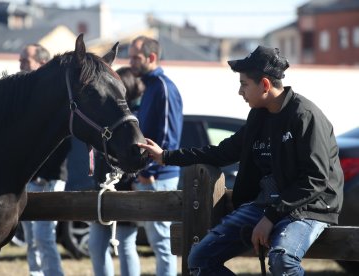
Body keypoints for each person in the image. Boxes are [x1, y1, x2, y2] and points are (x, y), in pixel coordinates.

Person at [138, 45, 344, 276]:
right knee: (199, 259)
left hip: (308, 208)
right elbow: (222, 152)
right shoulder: (259, 115)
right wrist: (166, 156)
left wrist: (271, 217)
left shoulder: (305, 117)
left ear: (265, 85)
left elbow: (314, 180)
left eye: (244, 84)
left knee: (282, 260)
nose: (240, 92)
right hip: (266, 207)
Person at [129, 36, 184, 276]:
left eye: (135, 57)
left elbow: (168, 137)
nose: (130, 62)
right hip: (150, 174)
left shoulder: (162, 86)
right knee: (157, 242)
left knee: (162, 244)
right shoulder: (149, 86)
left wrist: (148, 173)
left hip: (157, 175)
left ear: (151, 58)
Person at [88, 66, 145, 276]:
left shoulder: (135, 119)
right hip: (104, 186)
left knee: (125, 244)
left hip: (125, 185)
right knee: (95, 245)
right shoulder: (112, 118)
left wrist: (134, 180)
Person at [19, 43, 70, 276]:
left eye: (24, 61)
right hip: (29, 177)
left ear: (42, 64)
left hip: (50, 177)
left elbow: (61, 141)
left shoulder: (55, 96)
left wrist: (42, 171)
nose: (19, 66)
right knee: (30, 238)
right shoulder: (24, 96)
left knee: (44, 236)